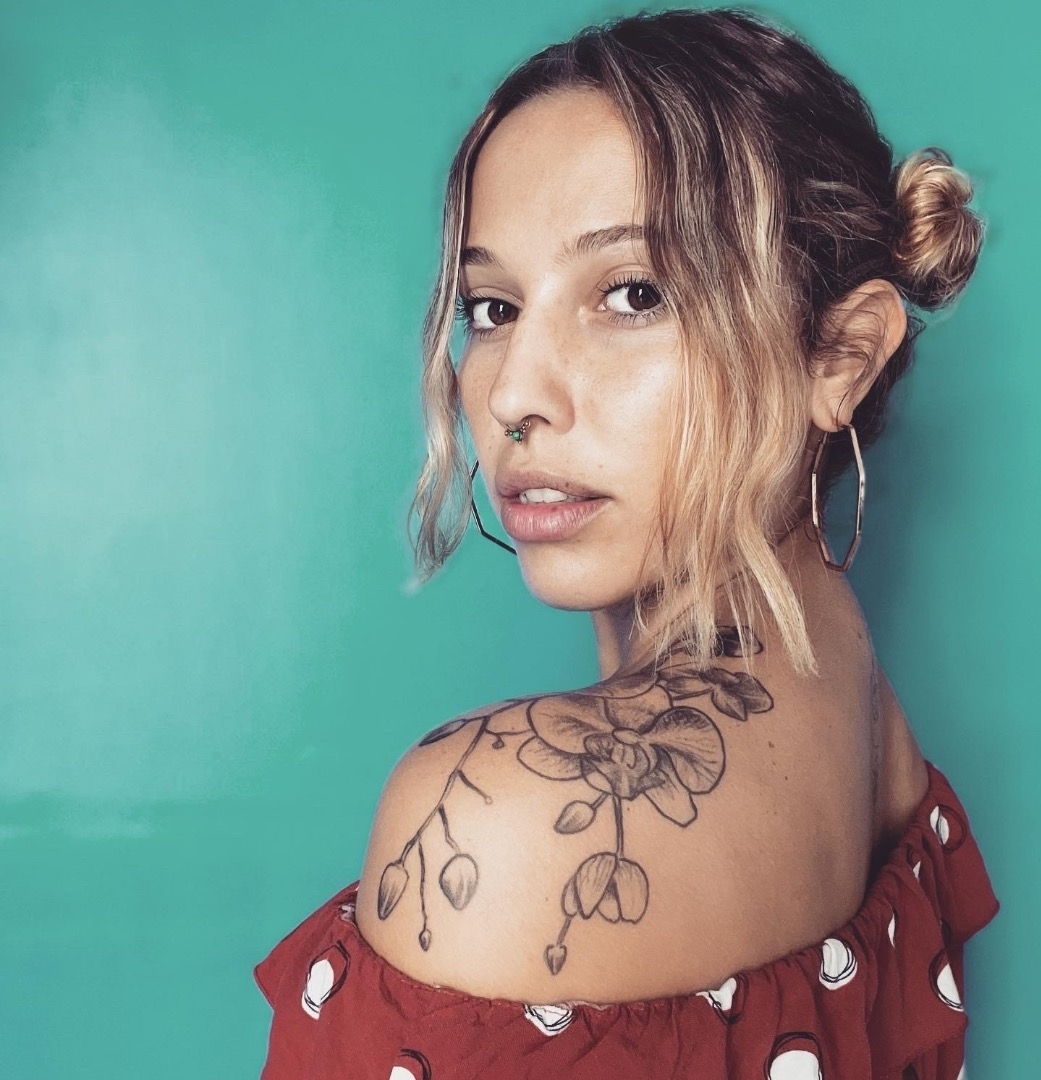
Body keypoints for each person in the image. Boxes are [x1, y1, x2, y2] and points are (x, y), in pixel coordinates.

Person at [255, 8, 998, 1078]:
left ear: (838, 357)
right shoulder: (859, 711)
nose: (512, 394)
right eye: (492, 307)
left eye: (632, 293)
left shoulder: (496, 824)